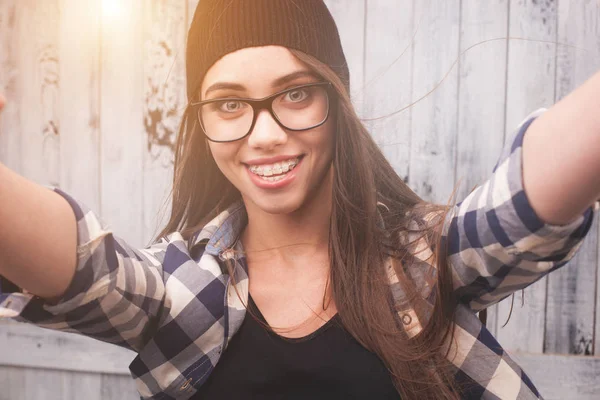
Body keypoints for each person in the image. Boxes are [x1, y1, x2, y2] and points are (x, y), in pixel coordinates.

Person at [0, 1, 599, 399]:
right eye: (229, 104)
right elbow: (83, 268)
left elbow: (524, 199)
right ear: (201, 121)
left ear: (335, 102)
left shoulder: (425, 257)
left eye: (294, 94)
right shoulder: (184, 291)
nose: (264, 134)